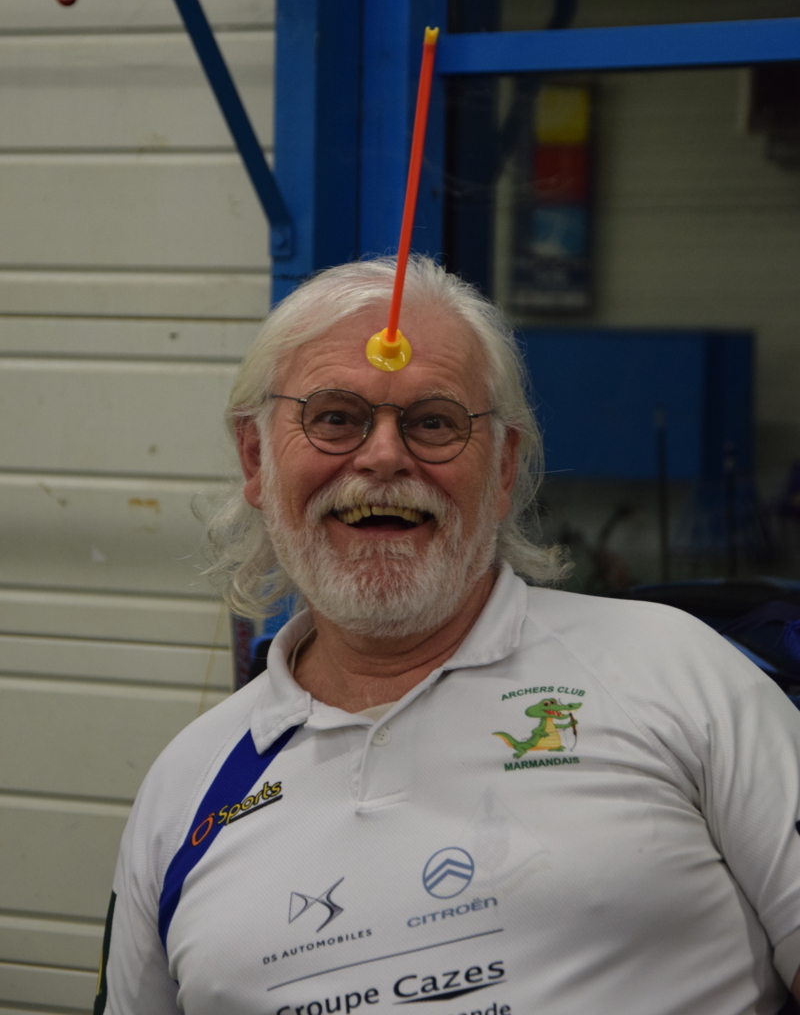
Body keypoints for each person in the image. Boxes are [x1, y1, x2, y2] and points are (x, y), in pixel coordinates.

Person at [97, 256, 800, 1015]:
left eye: (434, 422)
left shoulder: (678, 672)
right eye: (334, 417)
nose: (383, 456)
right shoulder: (186, 790)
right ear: (256, 457)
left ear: (503, 468)